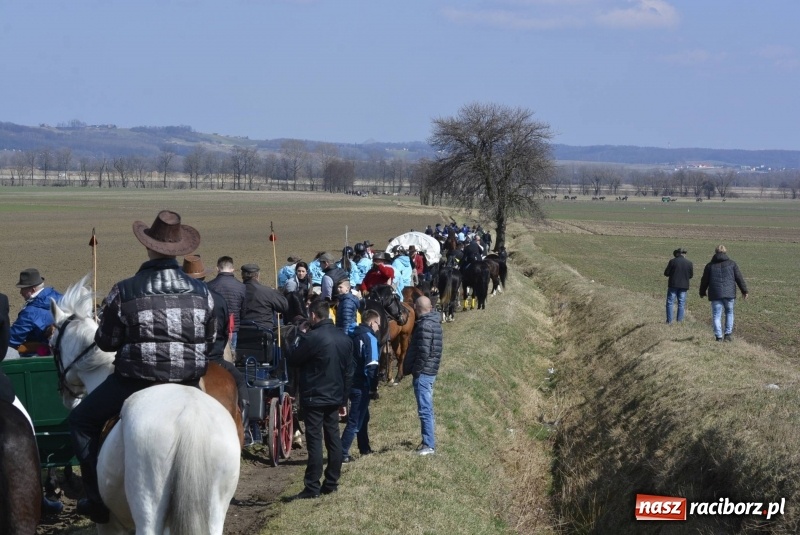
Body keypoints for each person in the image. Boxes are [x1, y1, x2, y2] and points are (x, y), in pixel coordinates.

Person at [69, 210, 215, 523]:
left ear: (148, 247)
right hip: (188, 382)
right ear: (178, 251)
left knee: (81, 420)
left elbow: (106, 342)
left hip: (135, 380)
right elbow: (212, 337)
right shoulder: (204, 292)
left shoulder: (124, 290)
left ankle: (95, 499)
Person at [286, 299, 353, 498]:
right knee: (333, 438)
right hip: (335, 396)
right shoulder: (344, 338)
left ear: (314, 315)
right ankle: (332, 481)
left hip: (314, 396)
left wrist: (298, 335)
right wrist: (343, 400)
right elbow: (349, 373)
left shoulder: (312, 338)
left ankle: (312, 486)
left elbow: (293, 357)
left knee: (315, 441)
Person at [182, 255, 249, 427]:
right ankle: (245, 419)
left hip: (184, 358)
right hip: (214, 357)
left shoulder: (178, 300)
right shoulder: (217, 299)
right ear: (204, 276)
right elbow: (226, 329)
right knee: (239, 379)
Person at [402, 296, 442, 456]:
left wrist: (416, 370)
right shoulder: (435, 322)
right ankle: (429, 441)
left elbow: (424, 352)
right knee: (428, 408)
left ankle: (428, 445)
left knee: (425, 409)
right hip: (431, 370)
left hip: (424, 372)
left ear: (417, 309)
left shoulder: (425, 325)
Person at [341, 309, 380, 463]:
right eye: (378, 324)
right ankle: (342, 452)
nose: (378, 327)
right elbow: (372, 365)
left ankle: (364, 447)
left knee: (364, 416)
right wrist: (373, 388)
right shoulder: (369, 337)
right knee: (355, 420)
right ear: (372, 322)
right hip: (361, 383)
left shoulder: (352, 334)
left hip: (348, 381)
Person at [6, 269, 63, 359]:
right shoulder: (59, 297)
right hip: (62, 350)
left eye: (23, 289)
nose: (20, 292)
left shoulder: (30, 313)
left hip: (41, 352)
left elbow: (11, 340)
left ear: (32, 289)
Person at [699, 245, 749, 342]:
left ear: (715, 252)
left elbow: (704, 280)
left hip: (715, 294)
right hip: (729, 294)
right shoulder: (732, 264)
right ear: (725, 252)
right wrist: (744, 291)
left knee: (716, 315)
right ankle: (728, 334)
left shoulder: (709, 266)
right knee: (729, 313)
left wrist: (702, 291)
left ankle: (718, 337)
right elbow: (739, 278)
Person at [207, 256, 246, 350]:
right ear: (232, 269)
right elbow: (243, 311)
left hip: (215, 329)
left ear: (217, 268)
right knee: (231, 357)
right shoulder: (241, 287)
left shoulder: (209, 286)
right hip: (232, 329)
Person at [241, 263, 289, 332]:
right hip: (263, 332)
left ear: (242, 276)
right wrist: (277, 292)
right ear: (257, 275)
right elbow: (284, 306)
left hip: (241, 332)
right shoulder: (267, 291)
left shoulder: (236, 291)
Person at [664, 247, 693, 324]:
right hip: (684, 286)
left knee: (670, 302)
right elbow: (691, 275)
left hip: (673, 284)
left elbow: (666, 273)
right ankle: (679, 321)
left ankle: (669, 321)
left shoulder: (672, 261)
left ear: (677, 253)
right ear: (684, 254)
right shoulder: (689, 263)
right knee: (681, 303)